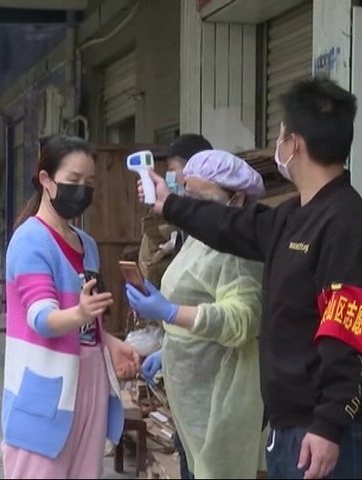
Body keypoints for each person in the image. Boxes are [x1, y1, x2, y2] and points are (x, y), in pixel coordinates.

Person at [140, 77, 362, 480]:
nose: (278, 145)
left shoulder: (348, 229)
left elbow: (347, 337)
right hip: (290, 425)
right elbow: (230, 224)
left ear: (293, 144)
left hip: (322, 436)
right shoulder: (294, 216)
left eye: (280, 135)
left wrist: (328, 425)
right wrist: (169, 203)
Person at [1, 135, 140, 479]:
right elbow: (42, 318)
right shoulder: (30, 239)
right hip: (45, 387)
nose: (82, 191)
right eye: (74, 181)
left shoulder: (87, 245)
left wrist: (109, 342)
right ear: (47, 181)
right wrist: (79, 314)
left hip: (89, 382)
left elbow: (87, 322)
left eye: (89, 183)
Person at [126, 150, 266, 479]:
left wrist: (171, 312)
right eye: (188, 195)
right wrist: (168, 348)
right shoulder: (200, 239)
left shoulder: (236, 251)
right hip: (193, 393)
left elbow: (243, 320)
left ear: (237, 200)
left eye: (202, 199)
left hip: (220, 397)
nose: (191, 206)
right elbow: (199, 298)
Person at [138, 134, 213, 287]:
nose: (168, 176)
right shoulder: (176, 214)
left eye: (172, 169)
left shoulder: (209, 217)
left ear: (193, 171)